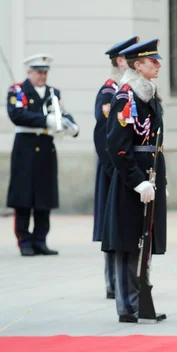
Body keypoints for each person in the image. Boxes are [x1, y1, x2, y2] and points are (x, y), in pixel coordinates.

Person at [101, 39, 167, 323]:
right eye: (153, 61)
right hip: (133, 179)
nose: (158, 65)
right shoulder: (126, 97)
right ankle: (128, 305)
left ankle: (141, 299)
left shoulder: (147, 93)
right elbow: (117, 145)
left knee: (145, 239)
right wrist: (137, 181)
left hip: (149, 172)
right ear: (137, 65)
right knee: (129, 241)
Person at [6, 54, 79, 257]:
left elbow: (62, 112)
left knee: (43, 198)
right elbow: (17, 115)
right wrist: (46, 120)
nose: (42, 76)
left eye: (45, 72)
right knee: (24, 199)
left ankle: (40, 239)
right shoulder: (18, 91)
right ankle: (24, 241)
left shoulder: (53, 93)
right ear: (29, 73)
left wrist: (71, 126)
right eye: (38, 72)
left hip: (46, 150)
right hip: (25, 150)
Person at [93, 36, 139, 300]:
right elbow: (104, 136)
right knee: (114, 230)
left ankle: (126, 283)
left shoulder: (129, 89)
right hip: (114, 169)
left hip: (121, 168)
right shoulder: (111, 92)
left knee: (124, 229)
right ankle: (113, 283)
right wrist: (117, 171)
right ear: (121, 61)